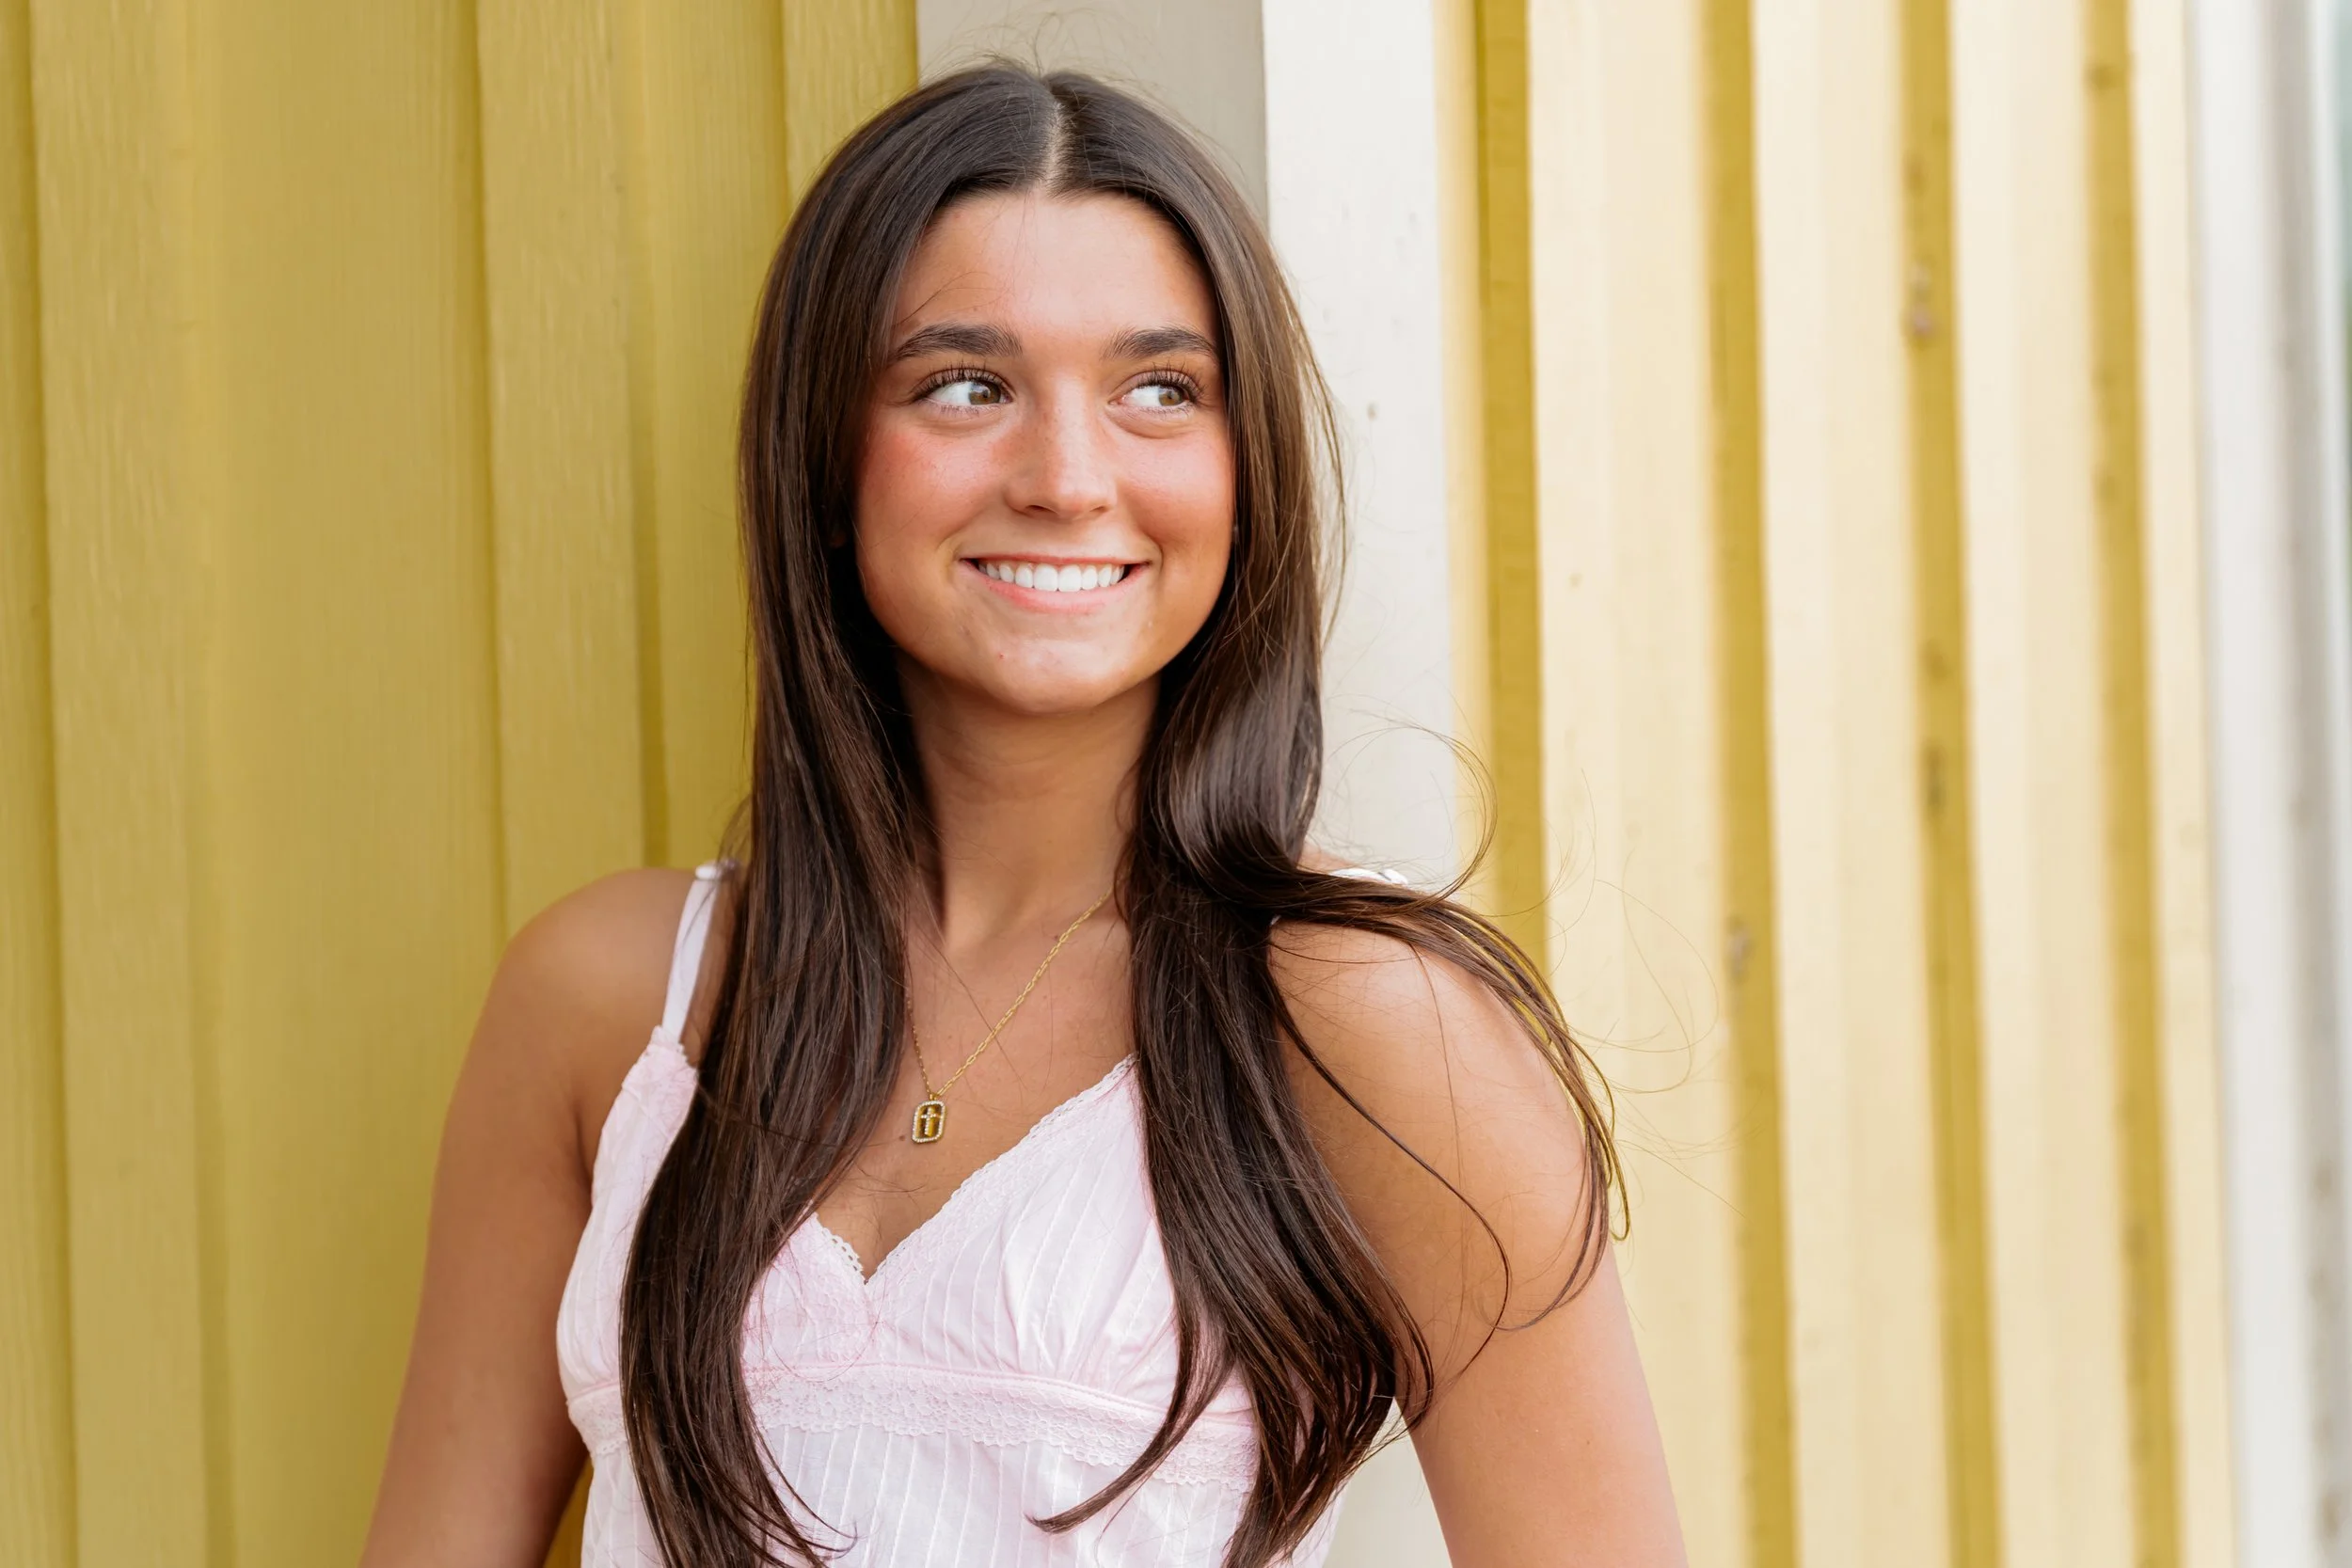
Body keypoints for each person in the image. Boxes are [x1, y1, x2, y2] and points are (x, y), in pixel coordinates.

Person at [361, 64, 1683, 1568]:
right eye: (966, 385)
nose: (1066, 477)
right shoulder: (612, 1005)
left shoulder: (1366, 1023)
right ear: (830, 464)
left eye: (1159, 391)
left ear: (1245, 475)